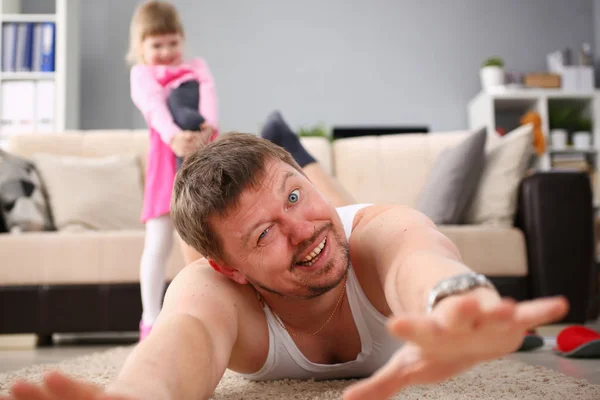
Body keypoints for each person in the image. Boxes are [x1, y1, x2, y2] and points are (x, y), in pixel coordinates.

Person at [3, 132, 568, 400]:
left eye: (294, 196)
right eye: (265, 233)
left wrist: (457, 303)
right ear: (232, 269)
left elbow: (420, 261)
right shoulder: (216, 289)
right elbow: (180, 345)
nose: (304, 231)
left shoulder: (376, 232)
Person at [127, 1, 218, 340]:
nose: (166, 51)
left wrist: (205, 131)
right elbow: (153, 108)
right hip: (165, 163)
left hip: (200, 155)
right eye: (156, 44)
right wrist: (175, 137)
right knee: (157, 244)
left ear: (182, 40)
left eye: (172, 43)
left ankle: (205, 312)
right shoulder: (142, 74)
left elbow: (209, 104)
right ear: (141, 46)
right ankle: (150, 320)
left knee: (202, 238)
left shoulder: (197, 67)